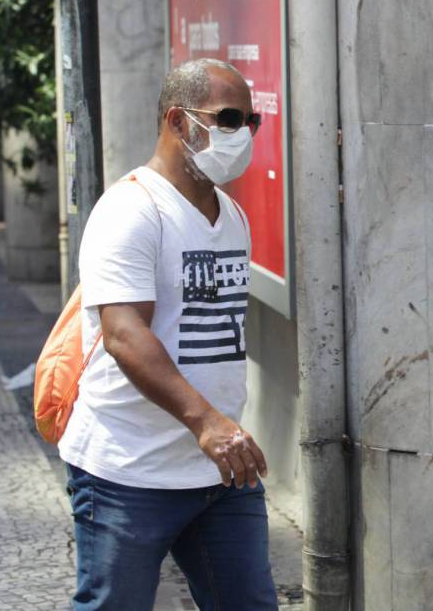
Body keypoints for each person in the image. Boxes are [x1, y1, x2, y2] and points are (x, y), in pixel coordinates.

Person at [59, 58, 275, 610]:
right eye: (228, 118)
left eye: (250, 122)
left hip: (221, 471)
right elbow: (125, 334)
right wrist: (206, 421)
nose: (242, 134)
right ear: (179, 121)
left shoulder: (230, 214)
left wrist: (218, 432)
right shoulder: (132, 210)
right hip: (127, 472)